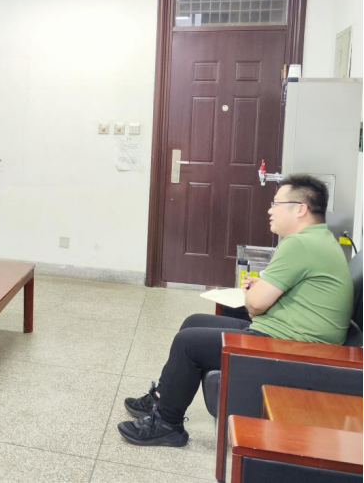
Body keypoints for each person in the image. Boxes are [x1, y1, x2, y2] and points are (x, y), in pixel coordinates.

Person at [118, 174, 353, 447]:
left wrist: (255, 294)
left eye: (276, 204)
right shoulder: (319, 239)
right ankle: (162, 398)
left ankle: (167, 425)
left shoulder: (299, 244)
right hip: (288, 333)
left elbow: (255, 304)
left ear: (300, 209)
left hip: (294, 346)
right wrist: (260, 291)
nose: (270, 210)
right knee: (194, 321)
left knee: (188, 343)